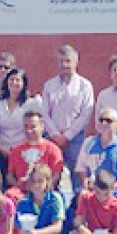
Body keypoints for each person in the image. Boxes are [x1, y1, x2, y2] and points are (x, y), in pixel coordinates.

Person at [40, 44, 94, 191]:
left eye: (68, 61)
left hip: (76, 138)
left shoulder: (85, 86)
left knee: (78, 178)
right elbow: (44, 113)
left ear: (76, 62)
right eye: (61, 61)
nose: (64, 65)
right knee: (50, 177)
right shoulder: (49, 86)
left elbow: (85, 114)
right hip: (52, 138)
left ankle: (77, 208)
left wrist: (68, 136)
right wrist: (55, 134)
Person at [0, 67, 42, 178]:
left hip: (24, 152)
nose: (14, 83)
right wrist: (1, 147)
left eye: (18, 80)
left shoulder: (32, 104)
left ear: (24, 83)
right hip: (3, 151)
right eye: (11, 79)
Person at [5, 110, 64, 202]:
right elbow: (10, 175)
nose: (29, 130)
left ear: (42, 127)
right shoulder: (16, 150)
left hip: (45, 191)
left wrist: (40, 188)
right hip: (22, 192)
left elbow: (56, 175)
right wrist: (18, 184)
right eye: (26, 126)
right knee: (10, 195)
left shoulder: (53, 149)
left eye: (33, 127)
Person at [76, 108, 117, 192]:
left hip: (115, 191)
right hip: (92, 189)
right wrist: (85, 181)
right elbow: (81, 168)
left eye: (108, 121)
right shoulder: (88, 142)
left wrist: (110, 187)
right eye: (101, 120)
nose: (104, 123)